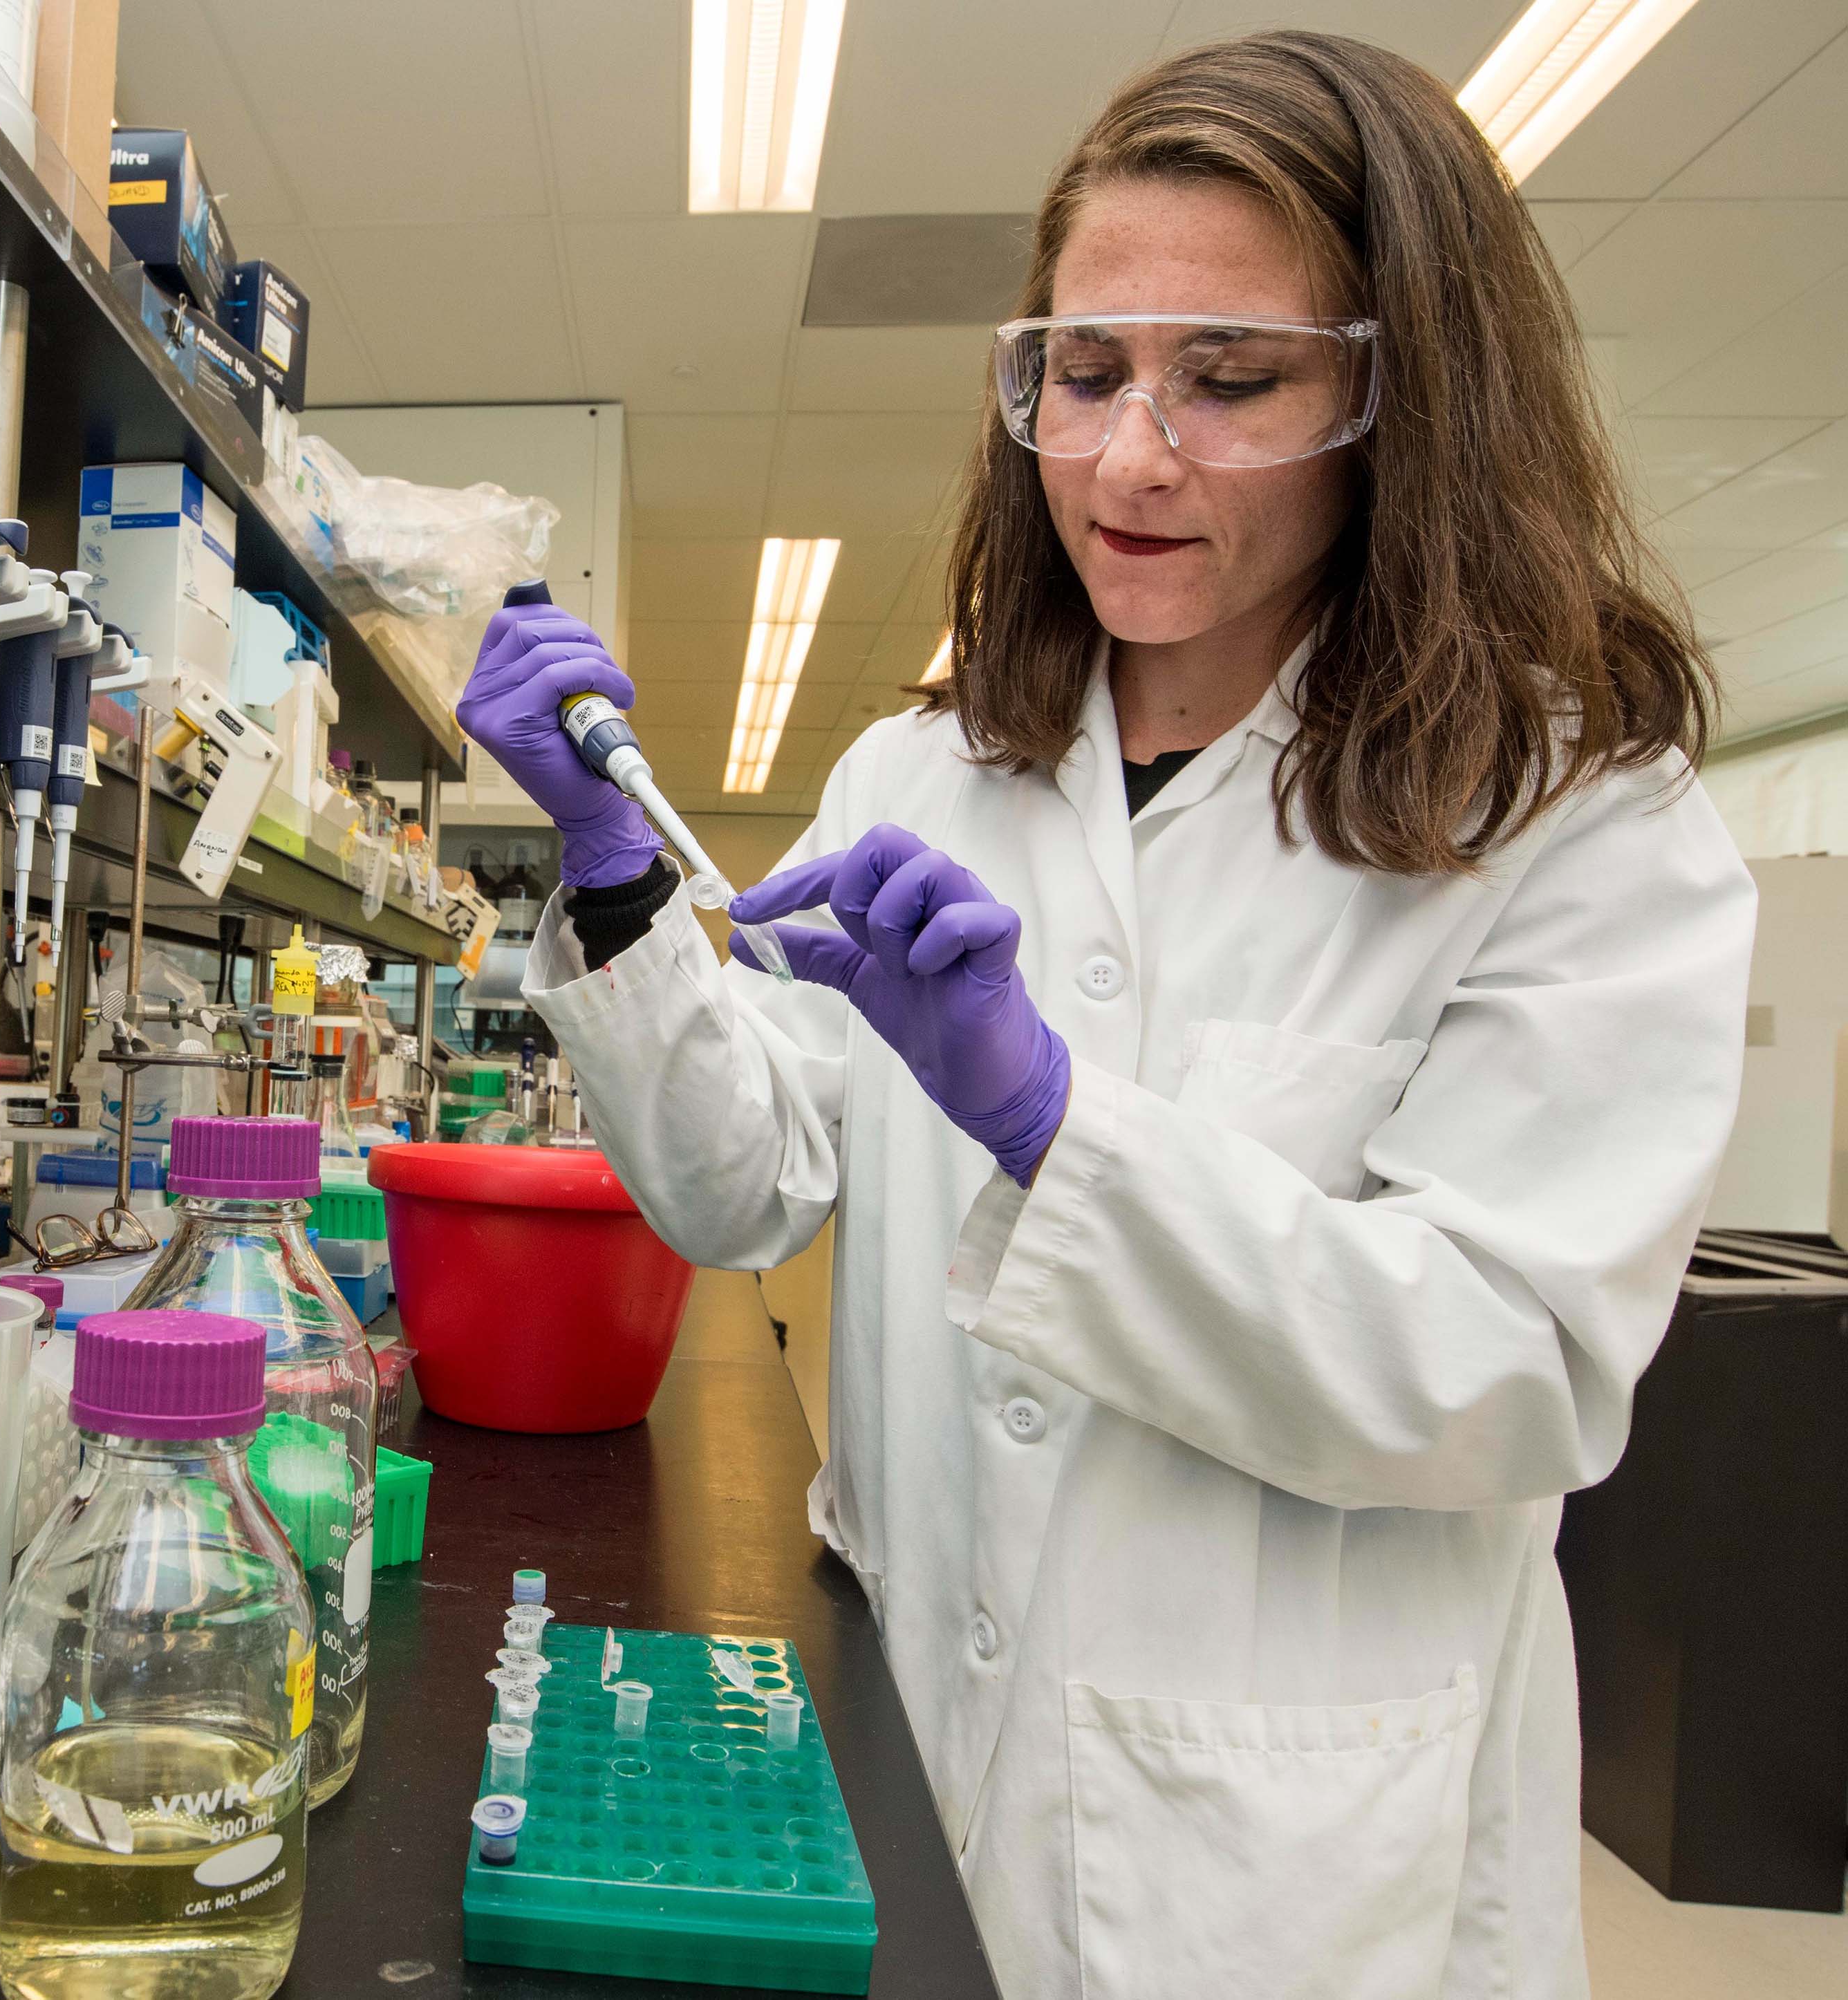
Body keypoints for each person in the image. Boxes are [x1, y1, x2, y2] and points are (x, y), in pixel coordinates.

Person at [459, 31, 1753, 2000]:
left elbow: (1509, 1372)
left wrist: (1054, 1123)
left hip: (1293, 1878)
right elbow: (744, 1191)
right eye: (1083, 373)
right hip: (903, 1767)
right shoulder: (932, 769)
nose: (1134, 455)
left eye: (1233, 382)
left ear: (1404, 404)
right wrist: (619, 873)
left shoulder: (1574, 817)